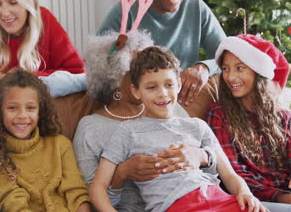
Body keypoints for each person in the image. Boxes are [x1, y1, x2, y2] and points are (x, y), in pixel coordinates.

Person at [89, 46, 266, 212]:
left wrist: (245, 193)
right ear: (136, 91)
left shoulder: (197, 126)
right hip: (175, 206)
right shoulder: (127, 132)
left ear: (179, 84)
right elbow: (98, 187)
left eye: (169, 85)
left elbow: (229, 175)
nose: (163, 93)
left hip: (217, 198)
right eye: (151, 87)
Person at [206, 34, 291, 212]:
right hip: (250, 198)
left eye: (240, 68)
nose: (230, 77)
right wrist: (282, 197)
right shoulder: (219, 114)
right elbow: (233, 174)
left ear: (259, 72)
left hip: (286, 192)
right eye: (225, 69)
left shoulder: (285, 117)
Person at [97, 0, 226, 106]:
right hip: (139, 106)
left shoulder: (196, 7)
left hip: (183, 107)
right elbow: (97, 62)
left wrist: (204, 68)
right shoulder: (127, 11)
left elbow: (227, 57)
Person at [0, 69, 91, 212]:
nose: (22, 115)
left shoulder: (60, 144)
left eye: (30, 108)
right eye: (12, 108)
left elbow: (76, 192)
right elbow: (13, 204)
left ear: (40, 111)